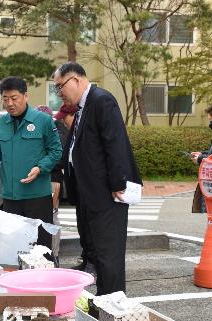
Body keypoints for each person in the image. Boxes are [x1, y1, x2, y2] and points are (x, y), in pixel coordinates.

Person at [53, 62, 142, 296]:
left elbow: (115, 143)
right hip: (89, 192)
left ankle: (113, 300)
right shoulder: (82, 107)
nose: (59, 93)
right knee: (97, 250)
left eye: (60, 87)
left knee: (108, 251)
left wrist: (118, 183)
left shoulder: (101, 100)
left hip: (107, 192)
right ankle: (104, 298)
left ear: (76, 80)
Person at [0, 77, 62, 248]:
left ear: (26, 96)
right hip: (10, 198)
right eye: (5, 99)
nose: (9, 103)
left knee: (40, 249)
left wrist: (40, 168)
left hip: (38, 197)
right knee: (14, 248)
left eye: (14, 98)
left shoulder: (43, 121)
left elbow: (56, 151)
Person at [52, 104, 78, 263]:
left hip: (53, 180)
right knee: (53, 216)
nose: (63, 121)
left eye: (65, 117)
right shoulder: (66, 131)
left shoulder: (62, 132)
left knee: (52, 217)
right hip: (57, 180)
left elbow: (60, 158)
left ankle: (54, 255)